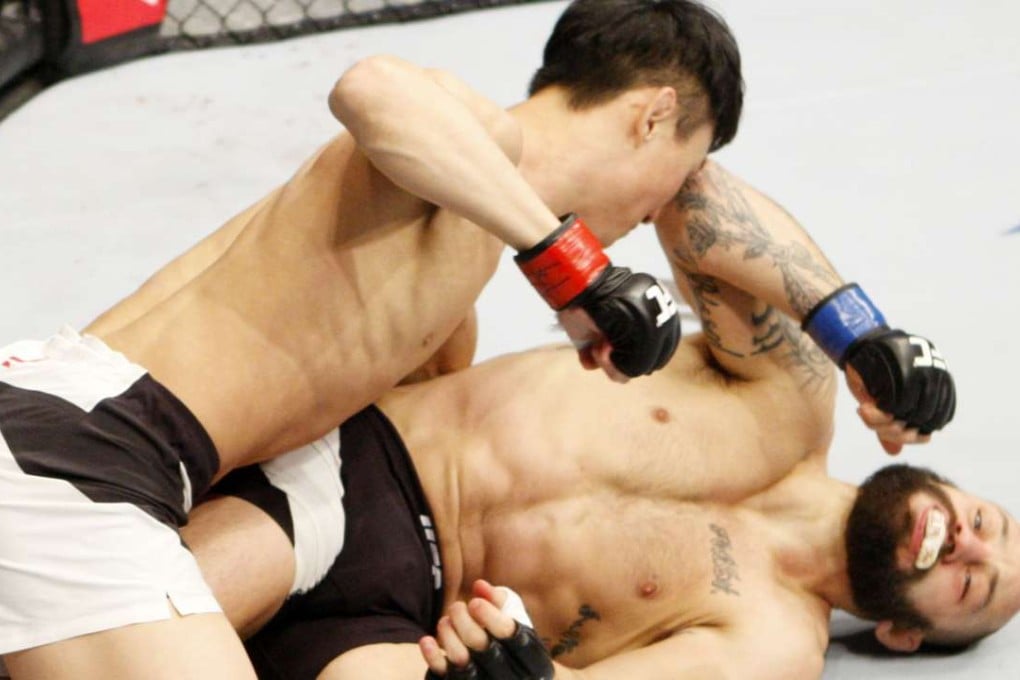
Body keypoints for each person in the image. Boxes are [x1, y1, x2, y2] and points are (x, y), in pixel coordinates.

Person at [0, 2, 747, 678]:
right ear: (654, 115)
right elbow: (370, 87)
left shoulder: (457, 270)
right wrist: (573, 268)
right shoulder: (483, 135)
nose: (652, 216)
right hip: (92, 455)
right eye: (676, 176)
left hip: (88, 441)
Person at [178, 160, 964, 680]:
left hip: (409, 633)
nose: (968, 544)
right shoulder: (791, 393)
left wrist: (522, 669)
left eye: (974, 585)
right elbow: (686, 188)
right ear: (948, 486)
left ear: (907, 634)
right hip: (374, 465)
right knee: (166, 603)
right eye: (988, 524)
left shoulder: (779, 645)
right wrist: (858, 331)